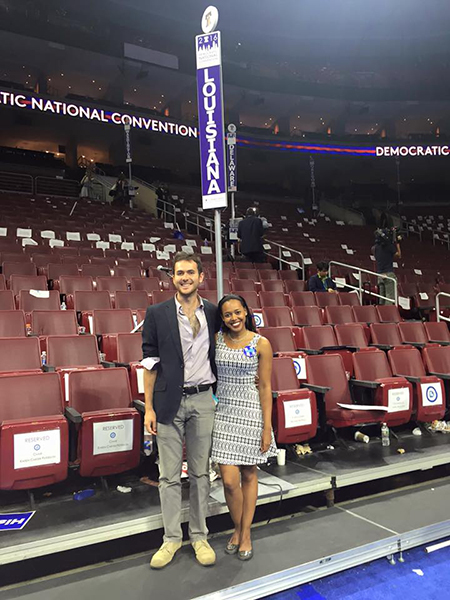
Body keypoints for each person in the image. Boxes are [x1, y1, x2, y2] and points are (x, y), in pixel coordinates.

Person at [142, 251, 219, 569]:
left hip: (203, 399)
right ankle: (171, 539)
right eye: (179, 273)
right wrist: (148, 407)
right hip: (167, 402)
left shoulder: (214, 313)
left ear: (202, 277)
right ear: (172, 278)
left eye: (190, 272)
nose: (184, 277)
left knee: (201, 473)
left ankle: (200, 535)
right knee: (168, 476)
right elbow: (149, 362)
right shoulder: (156, 313)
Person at [211, 294, 277, 561]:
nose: (233, 318)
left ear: (246, 312)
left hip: (251, 413)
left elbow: (265, 386)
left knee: (249, 474)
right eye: (228, 315)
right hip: (224, 412)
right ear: (223, 318)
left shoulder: (261, 344)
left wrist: (266, 428)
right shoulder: (216, 341)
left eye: (237, 312)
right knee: (228, 481)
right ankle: (238, 527)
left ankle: (244, 533)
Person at [372, 229, 401, 305]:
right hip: (388, 274)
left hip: (380, 275)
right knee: (389, 298)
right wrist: (397, 243)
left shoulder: (375, 248)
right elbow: (398, 255)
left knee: (382, 298)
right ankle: (387, 315)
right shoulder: (389, 246)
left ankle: (381, 313)